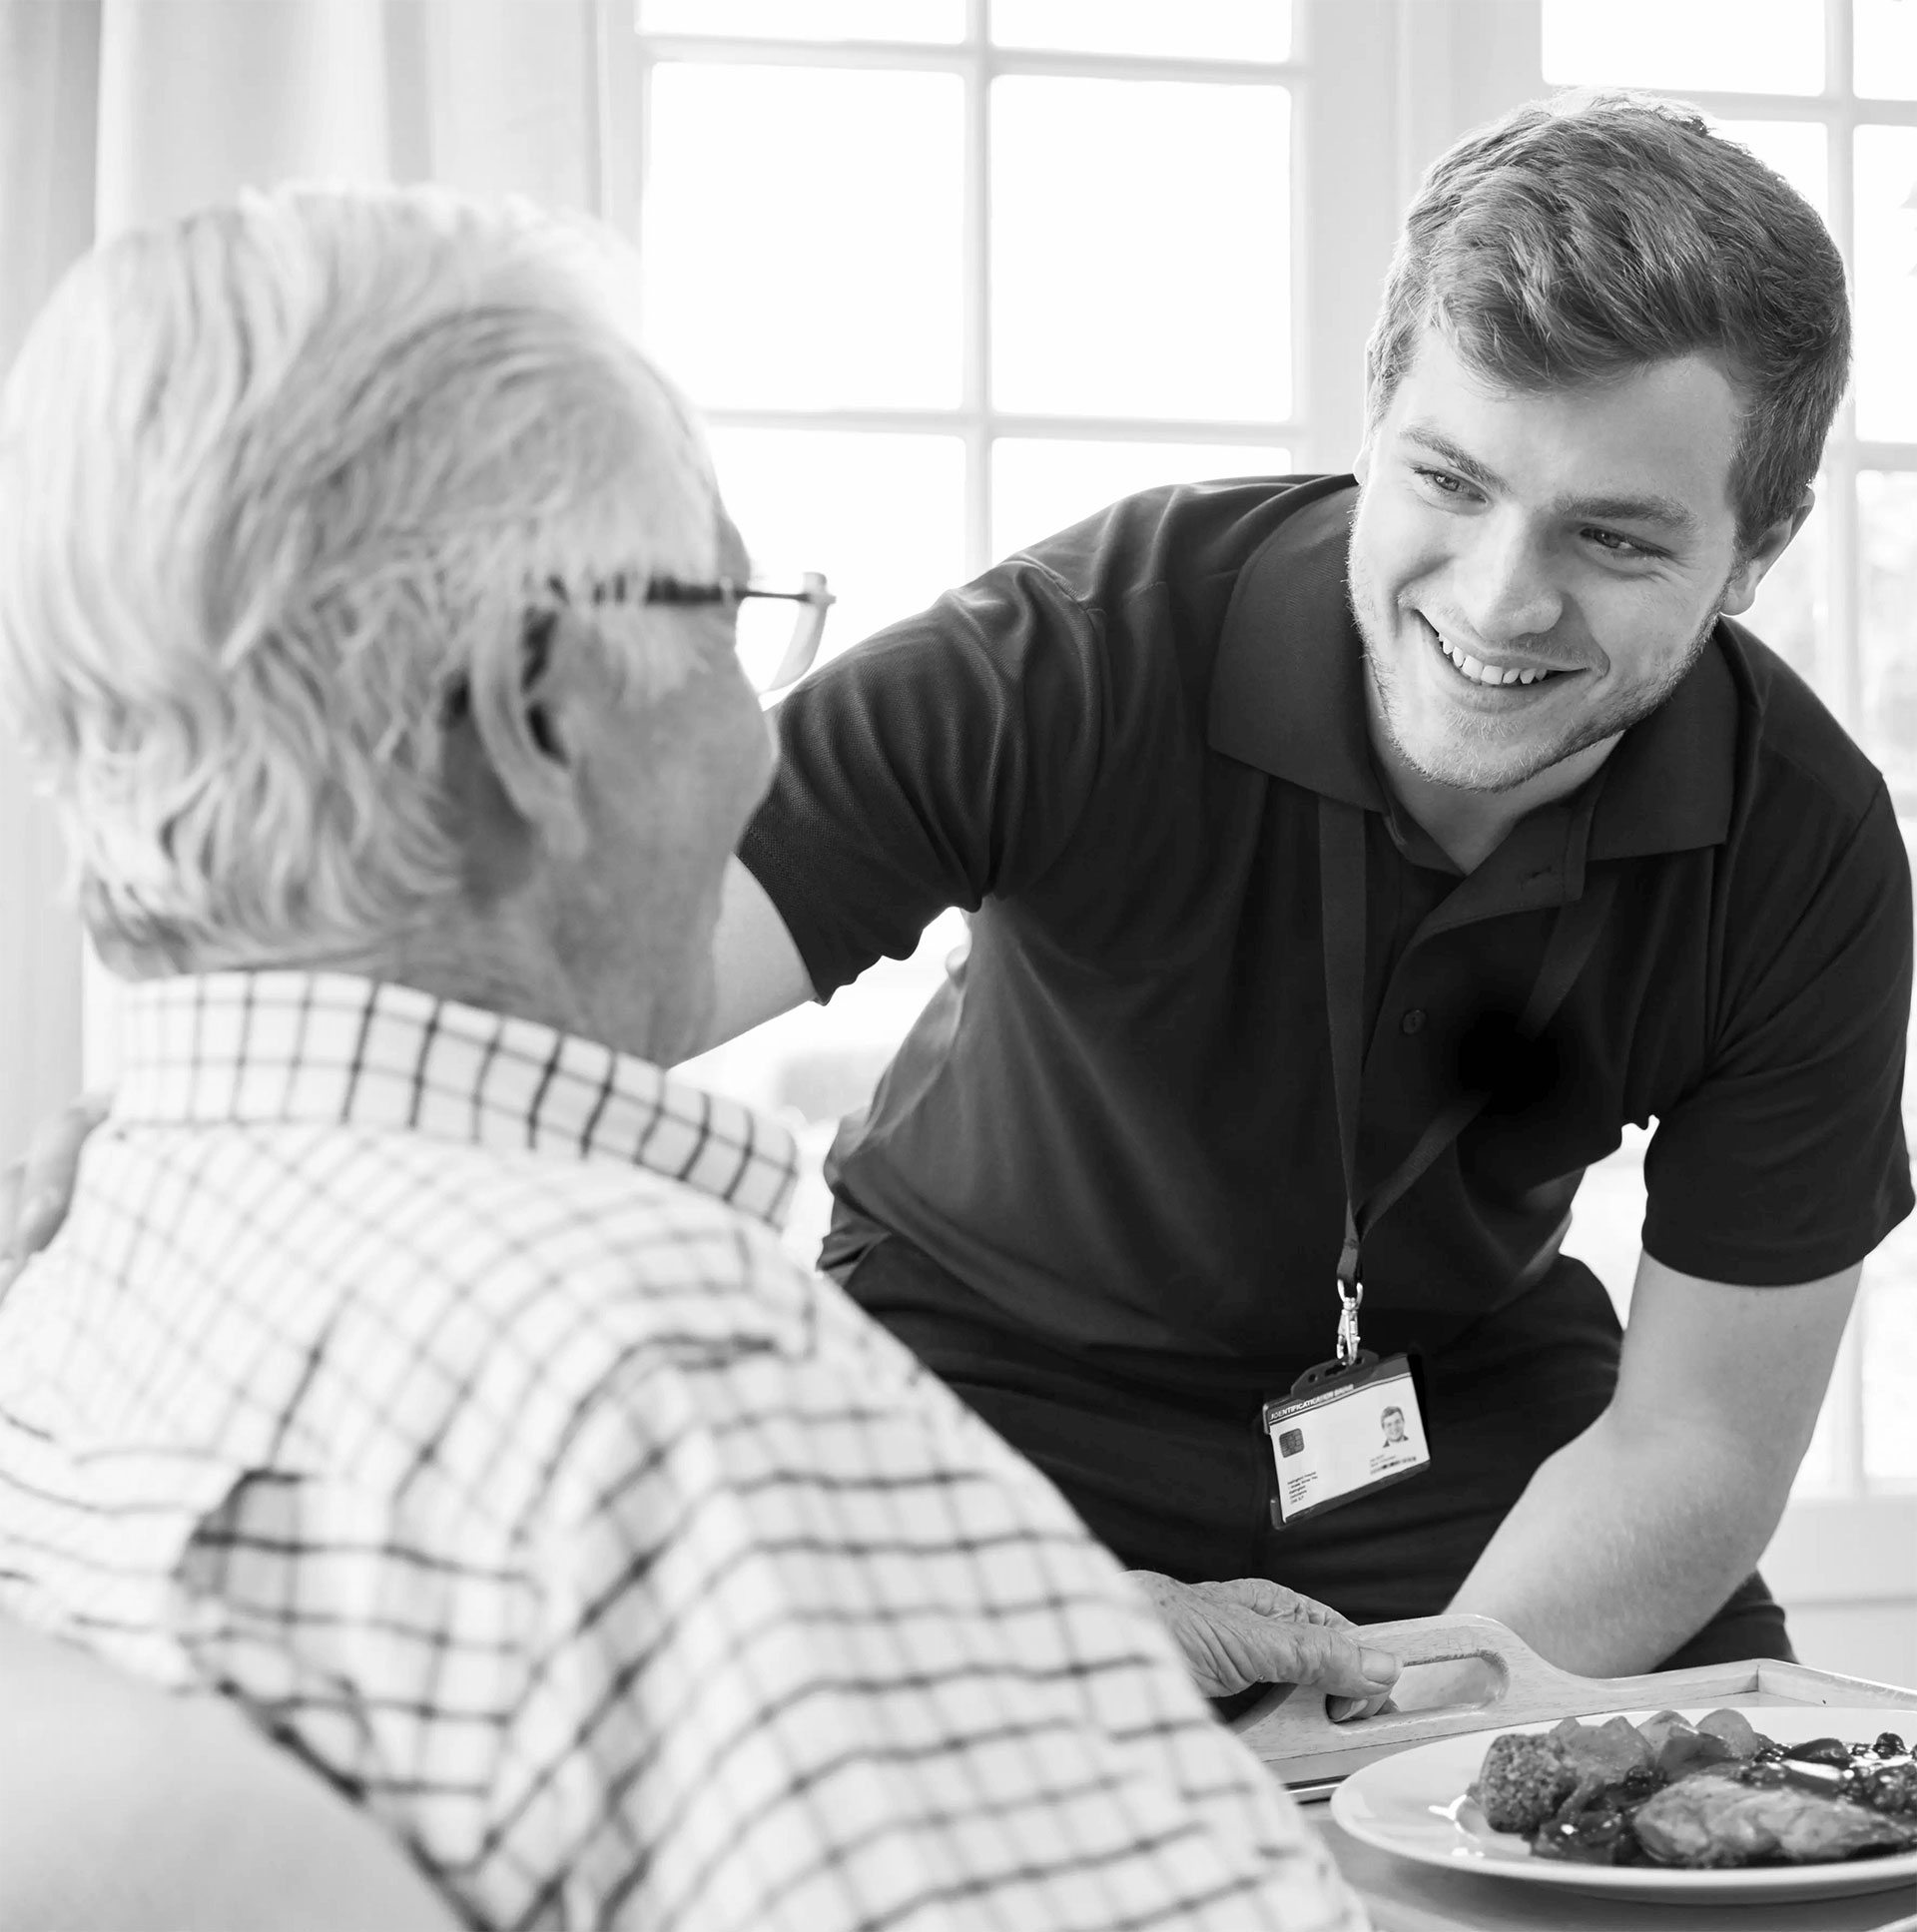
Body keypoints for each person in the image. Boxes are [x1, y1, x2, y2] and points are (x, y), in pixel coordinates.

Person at [0, 185, 1384, 1930]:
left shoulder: (78, 1270)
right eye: (728, 617)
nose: (762, 741)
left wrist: (998, 1646)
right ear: (540, 707)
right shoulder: (664, 1383)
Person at [699, 91, 1914, 1686]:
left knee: (1701, 1828)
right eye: (1454, 483)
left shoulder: (1807, 843)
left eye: (1614, 539)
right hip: (967, 1391)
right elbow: (552, 992)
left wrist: (1391, 1721)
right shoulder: (1072, 653)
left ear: (1758, 552)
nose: (1500, 600)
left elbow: (1694, 1442)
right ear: (1374, 419)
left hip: (1444, 1422)